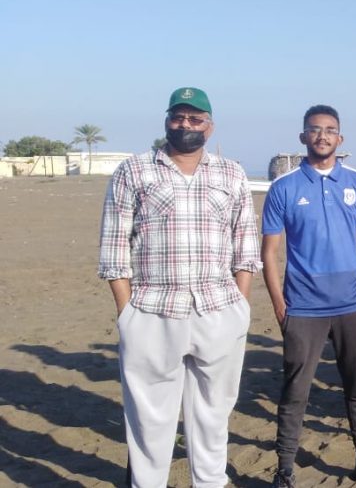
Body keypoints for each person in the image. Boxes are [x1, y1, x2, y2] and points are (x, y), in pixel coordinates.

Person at [98, 87, 260, 488]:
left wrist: (239, 307)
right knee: (149, 419)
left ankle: (209, 482)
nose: (186, 125)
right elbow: (114, 248)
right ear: (167, 121)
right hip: (152, 310)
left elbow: (245, 246)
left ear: (210, 126)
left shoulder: (231, 173)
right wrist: (127, 313)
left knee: (213, 414)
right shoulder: (133, 171)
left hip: (218, 309)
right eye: (178, 117)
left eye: (195, 119)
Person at [260, 105, 356, 487]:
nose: (323, 136)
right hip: (303, 308)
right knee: (296, 391)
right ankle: (285, 469)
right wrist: (279, 304)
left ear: (341, 138)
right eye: (315, 129)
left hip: (355, 305)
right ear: (303, 136)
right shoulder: (284, 187)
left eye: (330, 130)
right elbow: (269, 252)